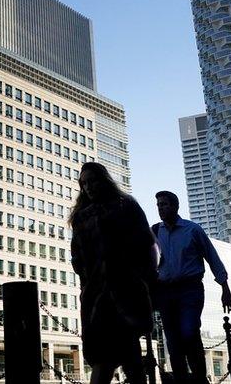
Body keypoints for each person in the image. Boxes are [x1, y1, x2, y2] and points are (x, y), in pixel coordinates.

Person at [69, 162, 156, 384]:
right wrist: (87, 280)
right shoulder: (81, 217)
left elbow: (146, 245)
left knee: (128, 358)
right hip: (97, 295)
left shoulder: (124, 206)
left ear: (104, 180)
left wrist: (144, 279)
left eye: (92, 181)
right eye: (83, 183)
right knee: (108, 357)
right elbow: (76, 255)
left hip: (126, 290)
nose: (88, 187)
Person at [152, 191, 231, 384]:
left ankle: (198, 377)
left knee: (189, 331)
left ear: (175, 206)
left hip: (190, 289)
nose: (161, 208)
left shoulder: (192, 230)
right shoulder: (154, 232)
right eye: (158, 205)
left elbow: (212, 257)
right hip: (165, 292)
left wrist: (225, 287)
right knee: (172, 340)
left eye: (164, 204)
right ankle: (181, 378)